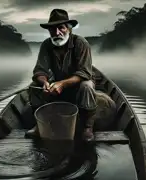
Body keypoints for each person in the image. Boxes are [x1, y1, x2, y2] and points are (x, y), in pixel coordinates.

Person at [26, 9, 97, 141]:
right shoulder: (46, 45)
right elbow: (39, 71)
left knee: (87, 86)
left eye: (61, 28)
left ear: (69, 29)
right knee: (34, 85)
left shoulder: (81, 43)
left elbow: (85, 72)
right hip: (57, 87)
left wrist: (62, 84)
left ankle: (88, 127)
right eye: (52, 29)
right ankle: (39, 124)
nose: (56, 33)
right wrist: (45, 83)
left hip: (78, 86)